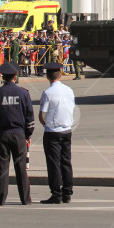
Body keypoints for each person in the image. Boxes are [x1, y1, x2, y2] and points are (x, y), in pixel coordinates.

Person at [0, 62, 34, 205]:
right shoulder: (24, 93)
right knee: (21, 167)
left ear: (2, 76)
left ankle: (0, 197)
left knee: (2, 166)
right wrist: (28, 134)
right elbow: (29, 116)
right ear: (15, 76)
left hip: (2, 134)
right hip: (18, 134)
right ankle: (25, 198)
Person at [39, 62, 75, 204]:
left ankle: (56, 193)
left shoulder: (47, 93)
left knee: (53, 163)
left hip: (52, 131)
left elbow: (42, 115)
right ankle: (67, 192)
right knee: (66, 161)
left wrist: (46, 124)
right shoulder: (69, 90)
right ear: (60, 75)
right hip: (67, 129)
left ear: (47, 77)